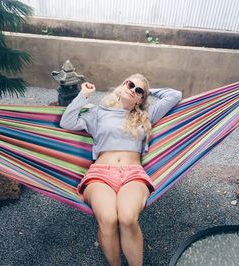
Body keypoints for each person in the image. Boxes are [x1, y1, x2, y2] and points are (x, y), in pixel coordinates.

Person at [60, 73, 182, 266]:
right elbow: (66, 122)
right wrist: (83, 95)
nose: (132, 89)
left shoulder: (145, 116)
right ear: (122, 84)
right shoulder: (97, 112)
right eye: (130, 84)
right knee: (108, 220)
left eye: (138, 90)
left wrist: (149, 91)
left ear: (141, 99)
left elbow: (175, 95)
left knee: (127, 218)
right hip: (100, 174)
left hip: (133, 174)